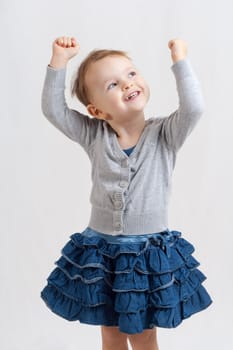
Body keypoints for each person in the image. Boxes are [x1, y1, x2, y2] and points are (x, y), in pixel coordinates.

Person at [40, 36, 212, 350]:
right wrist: (59, 61)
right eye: (112, 85)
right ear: (97, 111)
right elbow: (55, 111)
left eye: (131, 74)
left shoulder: (165, 134)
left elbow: (195, 107)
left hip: (147, 255)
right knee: (111, 333)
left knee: (144, 335)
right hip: (102, 253)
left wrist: (180, 61)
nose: (126, 85)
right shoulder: (94, 135)